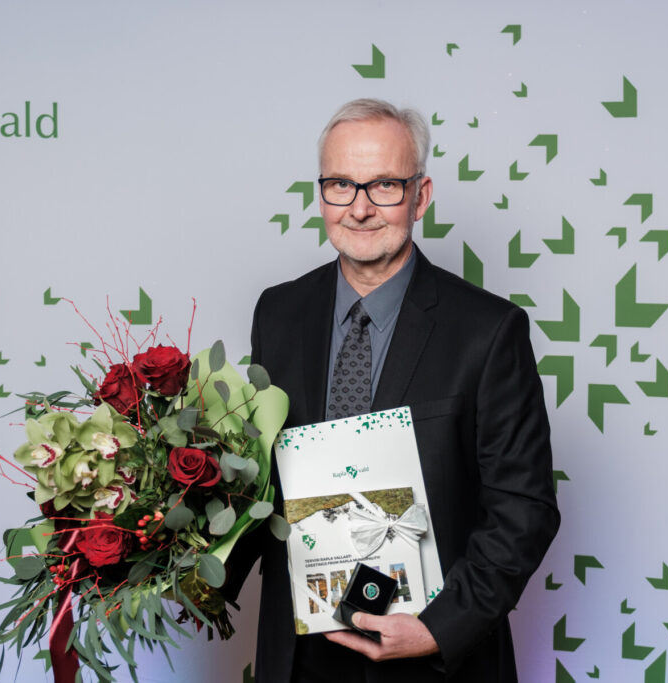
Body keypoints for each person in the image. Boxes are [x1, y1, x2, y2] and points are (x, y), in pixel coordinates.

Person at [227, 98, 560, 683]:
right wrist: (177, 561)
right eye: (340, 185)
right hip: (300, 658)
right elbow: (258, 481)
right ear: (321, 193)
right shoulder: (277, 313)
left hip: (432, 661)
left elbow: (524, 507)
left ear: (420, 196)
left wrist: (440, 628)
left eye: (384, 185)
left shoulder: (488, 331)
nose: (359, 209)